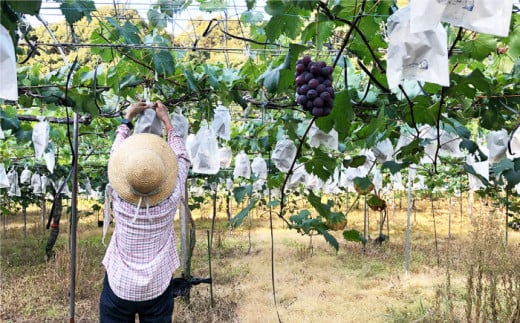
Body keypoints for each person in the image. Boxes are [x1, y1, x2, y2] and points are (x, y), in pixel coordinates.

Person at [99, 100, 190, 322]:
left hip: (119, 286)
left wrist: (127, 118)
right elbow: (184, 159)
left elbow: (115, 155)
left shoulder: (119, 198)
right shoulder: (171, 198)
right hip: (156, 288)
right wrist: (167, 122)